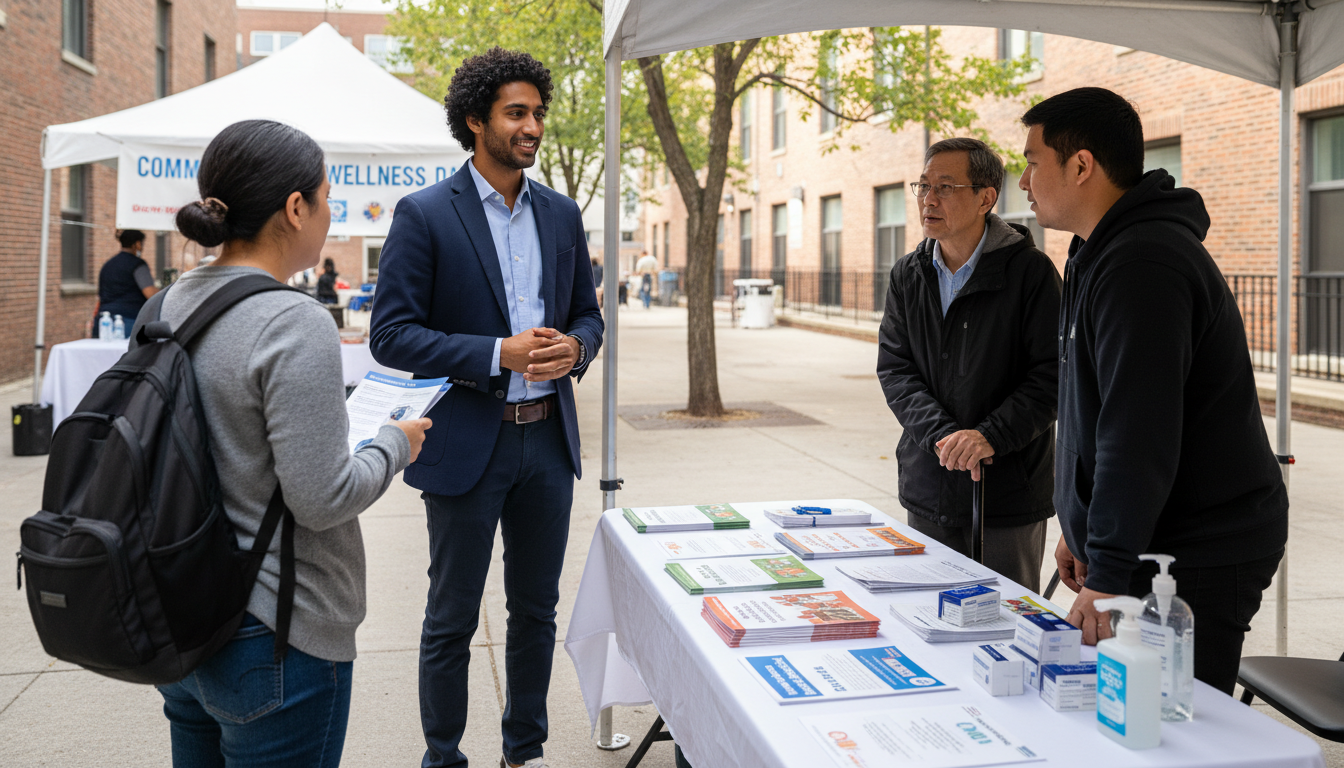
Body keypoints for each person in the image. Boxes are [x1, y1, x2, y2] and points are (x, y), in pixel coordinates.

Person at [143, 119, 431, 766]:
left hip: (178, 615)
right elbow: (323, 498)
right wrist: (393, 442)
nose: (330, 215)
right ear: (295, 208)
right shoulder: (293, 320)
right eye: (327, 198)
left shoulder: (163, 307)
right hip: (274, 634)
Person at [367, 47, 603, 768]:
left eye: (538, 112)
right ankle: (443, 756)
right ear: (475, 121)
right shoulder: (425, 214)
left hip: (547, 446)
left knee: (536, 614)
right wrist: (494, 354)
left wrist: (577, 349)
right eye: (517, 113)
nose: (532, 126)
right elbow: (391, 334)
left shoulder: (561, 215)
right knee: (451, 618)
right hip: (469, 444)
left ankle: (523, 751)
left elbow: (588, 316)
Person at [1019, 87, 1287, 693]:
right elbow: (1093, 408)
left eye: (1033, 162)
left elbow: (1136, 435)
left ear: (1081, 165)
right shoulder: (1097, 250)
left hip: (1201, 548)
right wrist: (1083, 524)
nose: (1025, 182)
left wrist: (1108, 569)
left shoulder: (1143, 263)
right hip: (1152, 533)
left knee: (1176, 725)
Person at [876, 138, 1062, 592]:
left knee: (1007, 624)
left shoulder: (1031, 274)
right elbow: (896, 369)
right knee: (925, 616)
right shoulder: (907, 274)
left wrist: (988, 437)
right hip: (929, 480)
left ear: (986, 197)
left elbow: (1052, 377)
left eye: (945, 186)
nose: (928, 199)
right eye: (923, 186)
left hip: (1008, 492)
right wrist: (943, 436)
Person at [98, 229, 158, 325]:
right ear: (138, 244)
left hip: (104, 320)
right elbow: (150, 294)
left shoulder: (108, 265)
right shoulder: (137, 265)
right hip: (128, 320)